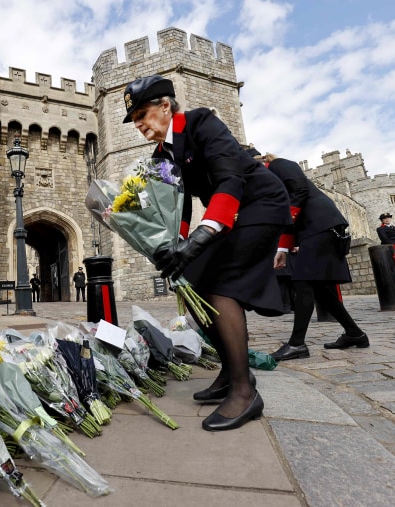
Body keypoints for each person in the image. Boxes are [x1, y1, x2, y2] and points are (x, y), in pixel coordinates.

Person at [123, 75, 292, 431]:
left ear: (165, 106)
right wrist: (172, 246)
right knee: (195, 282)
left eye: (142, 113)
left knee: (220, 286)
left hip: (259, 203)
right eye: (133, 119)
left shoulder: (202, 123)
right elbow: (176, 206)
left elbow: (230, 180)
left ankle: (245, 392)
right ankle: (231, 373)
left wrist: (199, 240)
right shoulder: (161, 155)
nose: (138, 124)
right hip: (230, 214)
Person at [256, 152, 370, 361]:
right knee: (321, 290)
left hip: (321, 225)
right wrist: (283, 250)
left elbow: (298, 191)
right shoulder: (269, 184)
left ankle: (297, 344)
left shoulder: (280, 164)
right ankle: (355, 334)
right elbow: (289, 218)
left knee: (304, 284)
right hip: (312, 230)